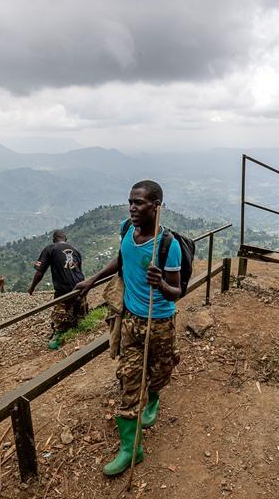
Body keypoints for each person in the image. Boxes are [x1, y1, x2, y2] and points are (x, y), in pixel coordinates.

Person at [75, 180, 182, 477]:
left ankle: (155, 397)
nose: (133, 208)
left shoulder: (166, 245)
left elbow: (177, 291)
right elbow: (122, 259)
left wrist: (160, 283)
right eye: (131, 202)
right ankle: (131, 449)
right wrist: (92, 280)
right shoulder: (127, 229)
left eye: (140, 203)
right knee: (128, 381)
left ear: (156, 206)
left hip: (160, 322)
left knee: (160, 372)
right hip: (131, 321)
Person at [27, 230, 87, 350]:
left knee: (60, 316)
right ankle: (78, 327)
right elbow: (78, 270)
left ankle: (60, 335)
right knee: (79, 313)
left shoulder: (50, 249)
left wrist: (32, 287)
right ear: (65, 239)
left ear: (54, 239)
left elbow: (40, 272)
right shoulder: (75, 250)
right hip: (80, 286)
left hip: (63, 289)